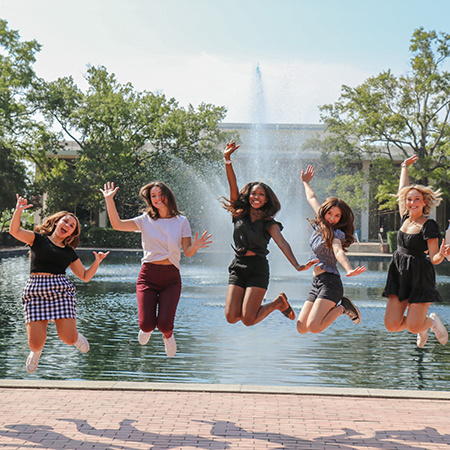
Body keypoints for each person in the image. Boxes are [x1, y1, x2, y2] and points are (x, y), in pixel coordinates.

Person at [101, 181, 211, 357]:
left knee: (165, 325)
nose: (158, 198)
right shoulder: (146, 220)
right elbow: (117, 225)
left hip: (171, 278)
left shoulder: (181, 221)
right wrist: (109, 200)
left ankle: (168, 336)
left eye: (161, 194)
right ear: (150, 200)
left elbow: (188, 252)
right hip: (148, 276)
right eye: (153, 196)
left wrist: (195, 246)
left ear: (168, 195)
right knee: (146, 324)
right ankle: (147, 329)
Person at [9, 195, 109, 373]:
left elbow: (85, 276)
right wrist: (18, 210)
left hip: (60, 291)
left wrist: (97, 262)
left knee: (68, 339)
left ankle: (76, 337)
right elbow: (14, 231)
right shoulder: (37, 239)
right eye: (66, 221)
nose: (67, 226)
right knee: (35, 343)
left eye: (72, 226)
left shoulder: (69, 252)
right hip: (35, 291)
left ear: (72, 233)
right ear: (56, 222)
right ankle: (36, 352)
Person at [221, 141, 316, 327]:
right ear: (248, 196)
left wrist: (298, 265)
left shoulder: (269, 224)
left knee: (248, 320)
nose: (256, 197)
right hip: (237, 266)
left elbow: (282, 243)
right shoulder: (238, 213)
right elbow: (233, 184)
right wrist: (227, 159)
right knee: (231, 317)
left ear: (266, 199)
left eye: (261, 195)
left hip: (258, 268)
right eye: (253, 194)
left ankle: (277, 303)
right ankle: (279, 303)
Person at [383, 155, 450, 347]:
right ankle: (422, 325)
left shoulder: (429, 225)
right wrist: (404, 166)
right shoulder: (405, 217)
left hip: (419, 275)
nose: (412, 203)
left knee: (413, 326)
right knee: (391, 325)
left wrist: (443, 254)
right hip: (398, 273)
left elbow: (434, 258)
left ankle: (431, 322)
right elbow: (401, 190)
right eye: (409, 200)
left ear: (424, 202)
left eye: (416, 200)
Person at [297, 165, 366, 335]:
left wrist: (349, 269)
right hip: (317, 283)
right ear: (324, 212)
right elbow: (312, 198)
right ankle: (341, 306)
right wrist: (305, 183)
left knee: (314, 327)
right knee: (301, 327)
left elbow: (338, 251)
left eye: (337, 216)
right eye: (330, 214)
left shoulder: (337, 234)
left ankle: (343, 307)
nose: (333, 219)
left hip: (330, 283)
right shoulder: (320, 225)